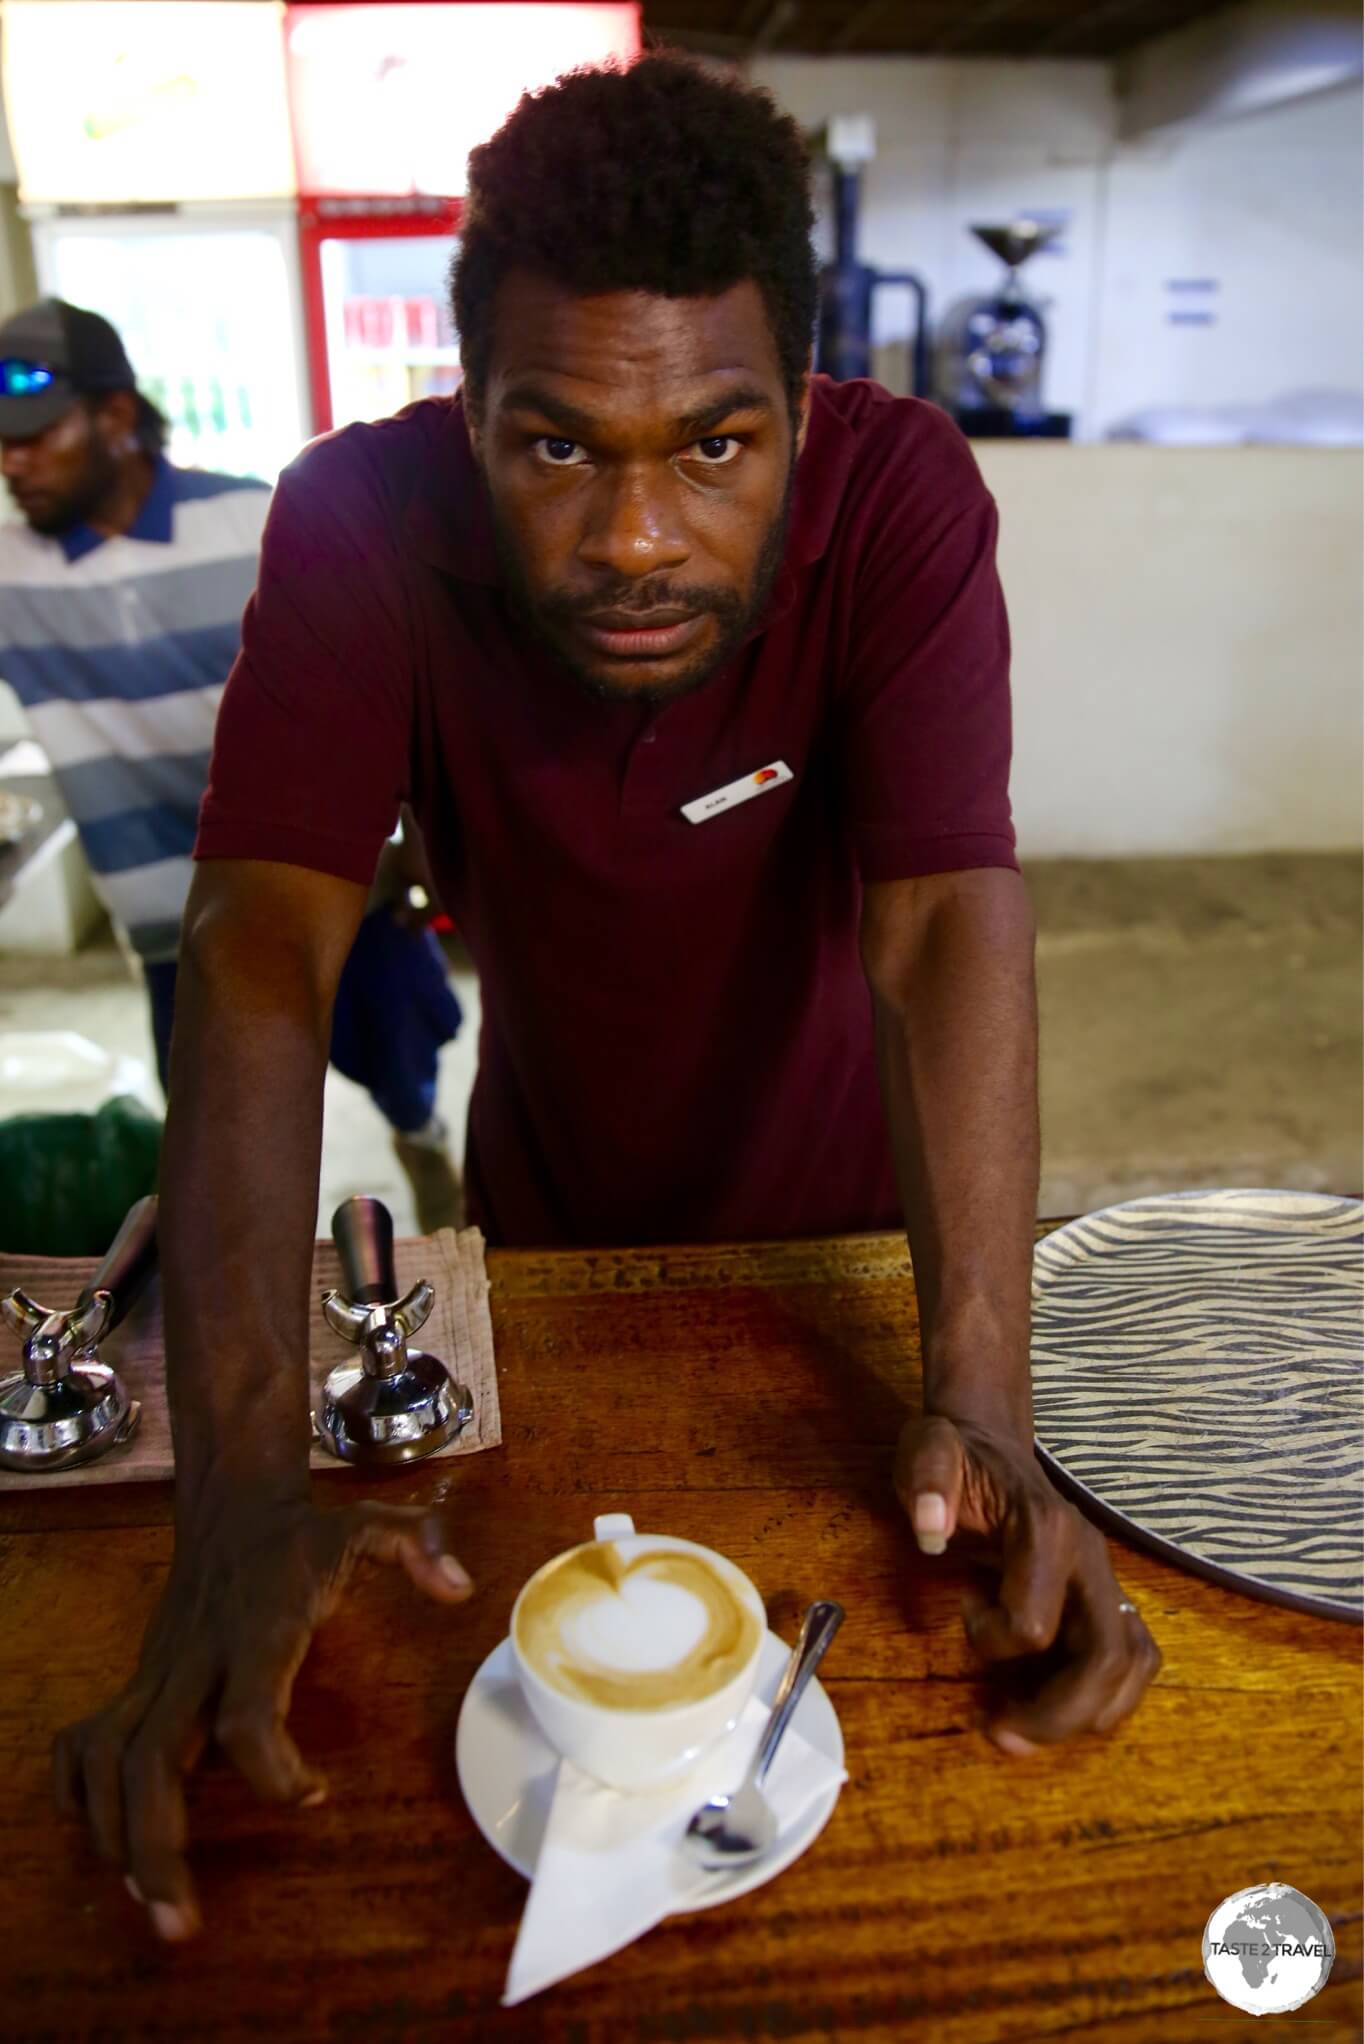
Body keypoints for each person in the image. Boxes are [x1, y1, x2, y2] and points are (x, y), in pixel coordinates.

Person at [54, 58, 1162, 1941]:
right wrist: (237, 1492)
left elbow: (941, 924)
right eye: (556, 447)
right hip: (549, 1239)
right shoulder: (356, 517)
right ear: (464, 411)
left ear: (799, 417)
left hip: (845, 1246)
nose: (635, 538)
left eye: (712, 447)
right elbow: (255, 948)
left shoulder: (897, 497)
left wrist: (978, 1394)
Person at [0, 297, 464, 1229]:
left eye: (38, 436)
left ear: (117, 418)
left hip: (341, 899)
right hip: (179, 935)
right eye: (2, 444)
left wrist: (421, 845)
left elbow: (403, 690)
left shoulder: (262, 523)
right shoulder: (13, 572)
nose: (14, 462)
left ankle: (434, 1176)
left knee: (405, 1086)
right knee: (224, 1159)